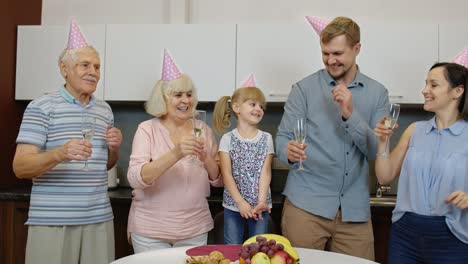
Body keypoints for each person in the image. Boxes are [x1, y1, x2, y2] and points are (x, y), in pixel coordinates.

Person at [275, 16, 390, 260]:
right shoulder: (303, 89)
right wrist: (288, 150)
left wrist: (351, 114)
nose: (330, 60)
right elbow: (283, 138)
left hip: (355, 213)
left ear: (357, 48)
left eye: (337, 53)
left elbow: (376, 151)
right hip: (305, 207)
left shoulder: (378, 94)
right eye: (325, 53)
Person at [12, 18, 122, 264]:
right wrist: (59, 153)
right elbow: (20, 167)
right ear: (64, 68)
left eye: (97, 66)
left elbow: (104, 164)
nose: (93, 72)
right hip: (53, 220)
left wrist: (114, 149)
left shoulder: (104, 110)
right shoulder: (41, 106)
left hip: (98, 217)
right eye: (85, 65)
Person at [126, 49, 222, 253]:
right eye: (178, 95)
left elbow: (218, 179)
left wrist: (205, 157)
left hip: (194, 228)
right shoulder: (147, 129)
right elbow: (135, 178)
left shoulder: (202, 129)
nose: (185, 101)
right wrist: (176, 153)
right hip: (150, 230)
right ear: (163, 98)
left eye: (189, 94)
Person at [374, 62, 468, 263]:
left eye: (433, 85)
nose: (425, 90)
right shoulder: (414, 130)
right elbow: (384, 176)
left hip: (453, 236)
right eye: (426, 84)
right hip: (405, 233)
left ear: (457, 91)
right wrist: (383, 143)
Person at [213, 74, 274, 244]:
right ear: (237, 108)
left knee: (259, 249)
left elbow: (265, 172)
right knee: (232, 248)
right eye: (253, 104)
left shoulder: (266, 138)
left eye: (261, 106)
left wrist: (261, 201)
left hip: (260, 207)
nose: (259, 109)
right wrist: (240, 203)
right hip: (234, 206)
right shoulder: (227, 139)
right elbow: (227, 175)